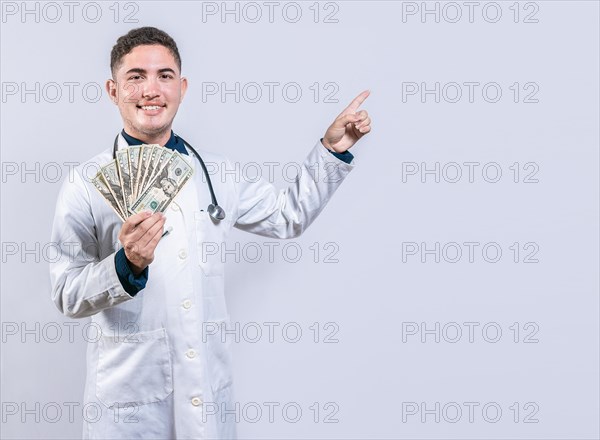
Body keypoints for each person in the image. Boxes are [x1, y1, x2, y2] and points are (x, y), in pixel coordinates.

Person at [49, 26, 371, 439]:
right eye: (136, 77)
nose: (151, 89)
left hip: (204, 394)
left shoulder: (217, 173)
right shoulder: (86, 182)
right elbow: (67, 294)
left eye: (164, 76)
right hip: (128, 400)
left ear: (181, 87)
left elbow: (287, 217)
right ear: (113, 91)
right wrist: (123, 266)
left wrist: (332, 150)